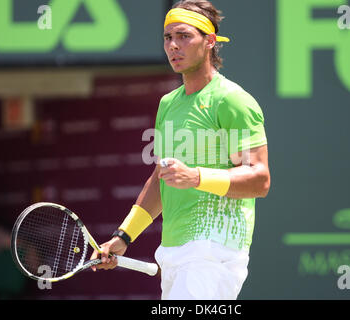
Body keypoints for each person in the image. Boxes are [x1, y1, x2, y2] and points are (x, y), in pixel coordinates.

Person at [91, 0, 270, 300]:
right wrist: (124, 236)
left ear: (210, 41)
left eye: (184, 36)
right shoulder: (167, 104)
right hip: (174, 253)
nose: (174, 45)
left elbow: (260, 179)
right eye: (168, 37)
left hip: (213, 251)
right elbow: (162, 178)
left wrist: (197, 177)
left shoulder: (232, 100)